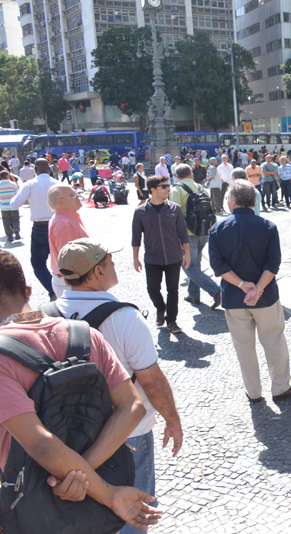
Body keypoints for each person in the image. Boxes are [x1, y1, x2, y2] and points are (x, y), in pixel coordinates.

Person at [0, 250, 163, 532]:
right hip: (98, 491)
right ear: (27, 290)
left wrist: (91, 484)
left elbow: (41, 444)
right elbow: (133, 406)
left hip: (30, 502)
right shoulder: (86, 334)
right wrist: (87, 474)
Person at [54, 238, 182, 534]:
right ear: (98, 272)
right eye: (110, 261)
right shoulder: (124, 317)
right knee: (133, 513)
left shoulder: (47, 314)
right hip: (127, 433)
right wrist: (172, 420)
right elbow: (151, 380)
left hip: (69, 435)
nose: (114, 266)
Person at [208, 180, 291, 404]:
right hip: (266, 296)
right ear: (253, 201)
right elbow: (273, 263)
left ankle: (253, 391)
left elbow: (218, 266)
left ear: (232, 200)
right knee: (274, 341)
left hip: (234, 297)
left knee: (243, 347)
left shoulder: (218, 229)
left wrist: (243, 285)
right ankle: (280, 387)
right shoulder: (267, 226)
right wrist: (258, 288)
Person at [132, 175, 191, 334]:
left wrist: (187, 254)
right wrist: (135, 258)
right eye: (164, 186)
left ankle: (172, 320)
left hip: (173, 257)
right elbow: (136, 238)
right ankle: (160, 308)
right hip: (152, 258)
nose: (167, 189)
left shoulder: (175, 209)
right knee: (152, 289)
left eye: (168, 186)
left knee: (173, 290)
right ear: (153, 190)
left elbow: (183, 234)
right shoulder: (140, 212)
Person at [169, 164, 221, 308]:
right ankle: (193, 295)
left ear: (176, 176)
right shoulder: (200, 188)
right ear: (191, 173)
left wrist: (176, 236)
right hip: (204, 230)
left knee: (188, 266)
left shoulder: (177, 189)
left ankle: (216, 291)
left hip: (187, 234)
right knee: (195, 265)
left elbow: (174, 214)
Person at [10, 158, 61, 298]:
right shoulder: (58, 184)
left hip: (40, 228)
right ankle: (65, 291)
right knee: (62, 262)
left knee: (38, 264)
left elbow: (14, 204)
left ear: (35, 170)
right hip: (58, 225)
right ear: (49, 168)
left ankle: (53, 291)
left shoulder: (30, 184)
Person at [47, 184, 89, 298]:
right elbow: (69, 261)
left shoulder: (65, 219)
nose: (78, 196)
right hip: (72, 283)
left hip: (71, 282)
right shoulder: (64, 223)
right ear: (60, 202)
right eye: (72, 195)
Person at [0, 170, 21, 243]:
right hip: (13, 206)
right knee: (15, 219)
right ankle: (16, 229)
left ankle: (9, 236)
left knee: (6, 222)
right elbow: (18, 194)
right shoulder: (13, 184)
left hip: (4, 207)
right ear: (7, 176)